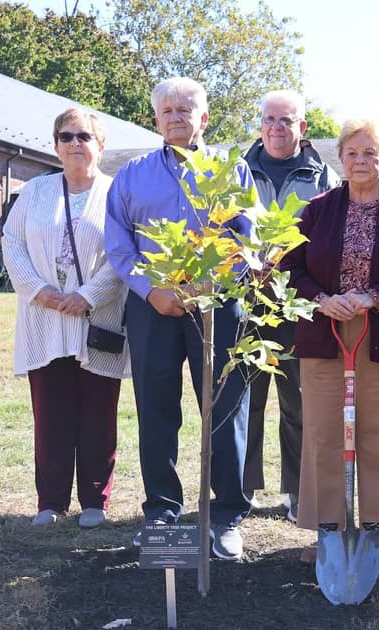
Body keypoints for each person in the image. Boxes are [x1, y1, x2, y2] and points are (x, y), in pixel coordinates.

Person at [105, 77, 258, 559]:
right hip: (153, 307)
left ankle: (227, 516)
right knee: (156, 409)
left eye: (185, 110)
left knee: (225, 407)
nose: (176, 117)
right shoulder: (132, 176)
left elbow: (248, 236)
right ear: (156, 119)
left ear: (203, 118)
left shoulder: (231, 171)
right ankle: (162, 512)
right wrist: (152, 291)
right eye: (167, 110)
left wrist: (211, 285)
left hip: (218, 305)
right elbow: (119, 243)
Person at [279, 118, 379, 564]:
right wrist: (322, 300)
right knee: (323, 431)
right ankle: (327, 532)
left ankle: (373, 534)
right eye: (352, 153)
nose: (361, 161)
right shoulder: (318, 209)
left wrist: (373, 297)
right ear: (340, 159)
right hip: (325, 333)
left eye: (370, 153)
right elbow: (290, 266)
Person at [2, 108, 130, 528]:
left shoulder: (117, 193)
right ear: (56, 145)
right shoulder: (34, 191)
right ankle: (50, 501)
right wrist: (39, 290)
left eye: (84, 136)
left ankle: (95, 499)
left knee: (98, 413)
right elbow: (12, 242)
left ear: (100, 145)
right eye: (66, 136)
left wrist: (88, 296)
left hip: (99, 319)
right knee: (51, 414)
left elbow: (124, 253)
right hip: (45, 318)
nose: (75, 143)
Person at [242, 89, 340, 521]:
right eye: (270, 120)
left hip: (298, 302)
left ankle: (298, 490)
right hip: (246, 301)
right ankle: (240, 490)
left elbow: (332, 239)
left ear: (302, 127)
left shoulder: (324, 178)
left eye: (286, 120)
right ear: (261, 125)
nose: (277, 128)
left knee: (299, 400)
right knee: (245, 400)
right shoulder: (238, 172)